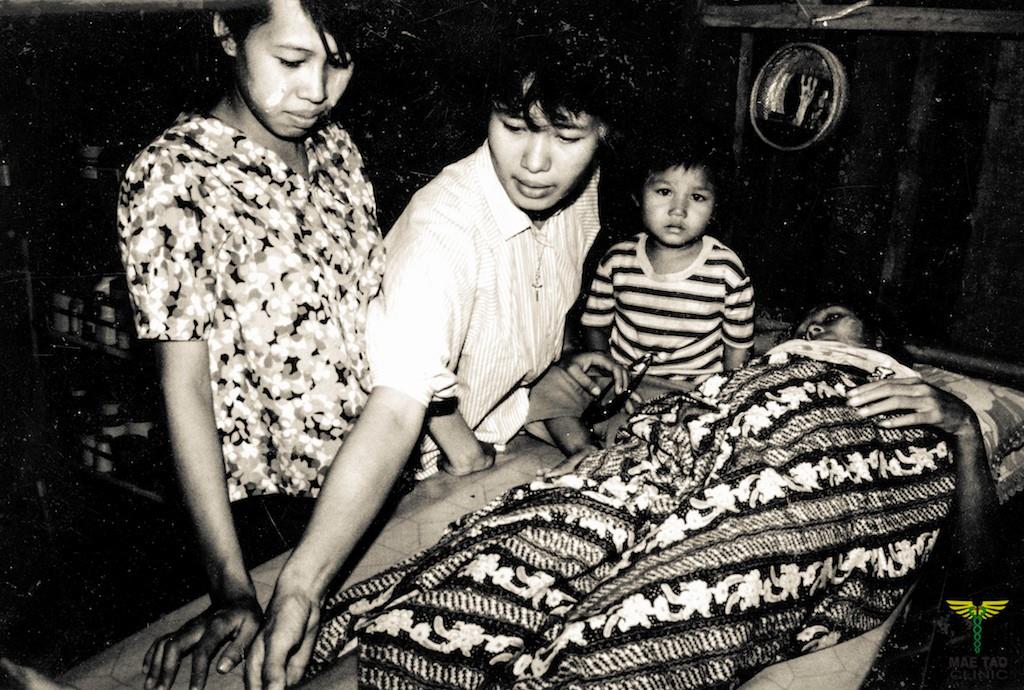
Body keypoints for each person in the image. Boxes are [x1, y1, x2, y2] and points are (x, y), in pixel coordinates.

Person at [289, 303, 995, 689]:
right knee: (517, 552)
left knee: (671, 606)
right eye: (803, 324)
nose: (809, 329)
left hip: (802, 486)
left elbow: (981, 574)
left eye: (831, 319)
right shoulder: (759, 369)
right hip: (668, 459)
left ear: (880, 345)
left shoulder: (916, 404)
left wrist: (963, 428)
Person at [243, 36, 626, 690]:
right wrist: (301, 589)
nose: (536, 163)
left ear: (603, 134)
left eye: (566, 137)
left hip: (489, 444)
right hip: (385, 482)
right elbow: (398, 409)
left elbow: (528, 311)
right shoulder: (442, 232)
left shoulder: (584, 189)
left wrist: (550, 380)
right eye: (513, 127)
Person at [116, 2, 384, 689]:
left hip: (369, 485)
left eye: (339, 63)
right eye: (291, 60)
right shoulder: (173, 176)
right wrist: (230, 586)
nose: (317, 91)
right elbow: (184, 387)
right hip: (267, 516)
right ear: (227, 31)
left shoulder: (337, 149)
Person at [529, 132, 754, 460]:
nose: (678, 210)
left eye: (697, 197)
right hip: (621, 380)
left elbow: (737, 350)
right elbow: (596, 325)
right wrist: (609, 366)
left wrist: (725, 400)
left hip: (685, 390)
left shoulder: (727, 270)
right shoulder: (617, 260)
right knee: (543, 384)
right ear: (638, 195)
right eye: (664, 192)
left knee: (697, 430)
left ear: (715, 206)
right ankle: (583, 448)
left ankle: (625, 443)